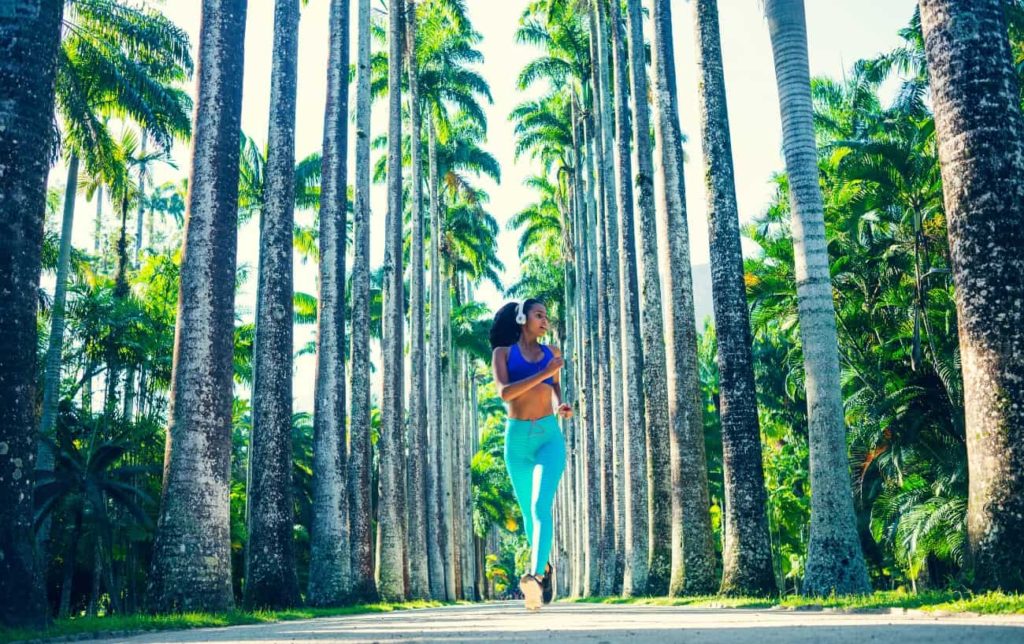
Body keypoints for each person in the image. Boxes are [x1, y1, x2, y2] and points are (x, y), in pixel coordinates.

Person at [489, 298, 572, 611]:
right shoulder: (503, 354)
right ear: (522, 319)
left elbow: (555, 388)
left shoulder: (553, 353)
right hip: (517, 442)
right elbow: (505, 392)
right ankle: (545, 569)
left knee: (540, 506)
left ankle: (535, 577)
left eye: (546, 316)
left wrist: (560, 406)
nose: (545, 320)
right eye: (539, 315)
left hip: (548, 438)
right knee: (528, 514)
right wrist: (544, 373)